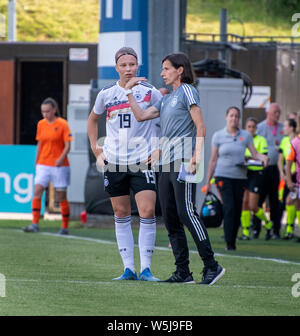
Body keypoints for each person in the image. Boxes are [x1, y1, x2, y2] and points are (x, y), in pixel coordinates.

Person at [125, 52, 225, 285]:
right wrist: (129, 90)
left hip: (184, 161)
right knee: (170, 217)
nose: (162, 73)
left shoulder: (188, 91)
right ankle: (183, 272)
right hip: (165, 163)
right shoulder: (166, 98)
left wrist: (197, 157)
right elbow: (140, 116)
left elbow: (200, 127)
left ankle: (212, 265)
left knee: (186, 212)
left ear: (180, 70)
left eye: (166, 69)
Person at [87, 47, 162, 282]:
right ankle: (128, 268)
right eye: (124, 65)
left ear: (138, 66)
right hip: (114, 161)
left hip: (142, 160)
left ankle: (147, 269)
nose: (128, 69)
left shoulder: (150, 92)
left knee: (147, 211)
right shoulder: (106, 94)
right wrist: (95, 148)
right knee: (121, 212)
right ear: (116, 67)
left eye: (132, 64)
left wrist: (160, 146)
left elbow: (166, 117)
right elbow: (92, 119)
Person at [206, 107, 269, 250]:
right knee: (229, 207)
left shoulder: (245, 135)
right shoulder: (218, 136)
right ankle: (229, 242)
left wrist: (264, 158)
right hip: (222, 176)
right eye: (231, 116)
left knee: (237, 209)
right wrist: (208, 181)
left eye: (236, 116)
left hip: (240, 177)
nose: (234, 118)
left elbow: (255, 154)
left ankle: (232, 240)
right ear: (226, 117)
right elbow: (213, 160)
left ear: (239, 119)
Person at [23, 98, 73, 235]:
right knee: (37, 190)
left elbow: (68, 145)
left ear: (54, 110)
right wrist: (36, 160)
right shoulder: (41, 124)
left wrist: (61, 158)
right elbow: (40, 144)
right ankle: (34, 224)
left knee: (61, 196)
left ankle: (64, 227)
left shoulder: (62, 124)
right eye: (43, 112)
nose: (45, 114)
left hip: (59, 166)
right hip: (43, 164)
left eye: (47, 111)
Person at [252, 103, 284, 239]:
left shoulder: (283, 128)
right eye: (275, 112)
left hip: (277, 169)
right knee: (258, 199)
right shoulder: (259, 128)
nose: (277, 115)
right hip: (262, 169)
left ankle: (276, 230)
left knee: (275, 200)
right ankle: (256, 229)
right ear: (268, 113)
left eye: (279, 112)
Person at [240, 117, 271, 240]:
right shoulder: (242, 139)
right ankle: (246, 231)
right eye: (249, 126)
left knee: (253, 205)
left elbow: (263, 157)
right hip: (245, 173)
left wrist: (249, 158)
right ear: (245, 128)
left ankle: (268, 224)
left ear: (256, 128)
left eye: (253, 126)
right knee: (244, 203)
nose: (251, 129)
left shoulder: (261, 140)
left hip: (257, 174)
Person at [278, 119, 297, 239]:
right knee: (289, 201)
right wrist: (282, 173)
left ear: (291, 128)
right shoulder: (284, 140)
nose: (283, 128)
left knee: (292, 201)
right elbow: (280, 159)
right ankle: (290, 229)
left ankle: (290, 229)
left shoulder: (297, 141)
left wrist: (292, 173)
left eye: (285, 126)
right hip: (287, 176)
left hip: (296, 175)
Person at [285, 128, 300, 241]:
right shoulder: (295, 142)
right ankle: (290, 229)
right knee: (295, 204)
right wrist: (289, 180)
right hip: (298, 182)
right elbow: (288, 163)